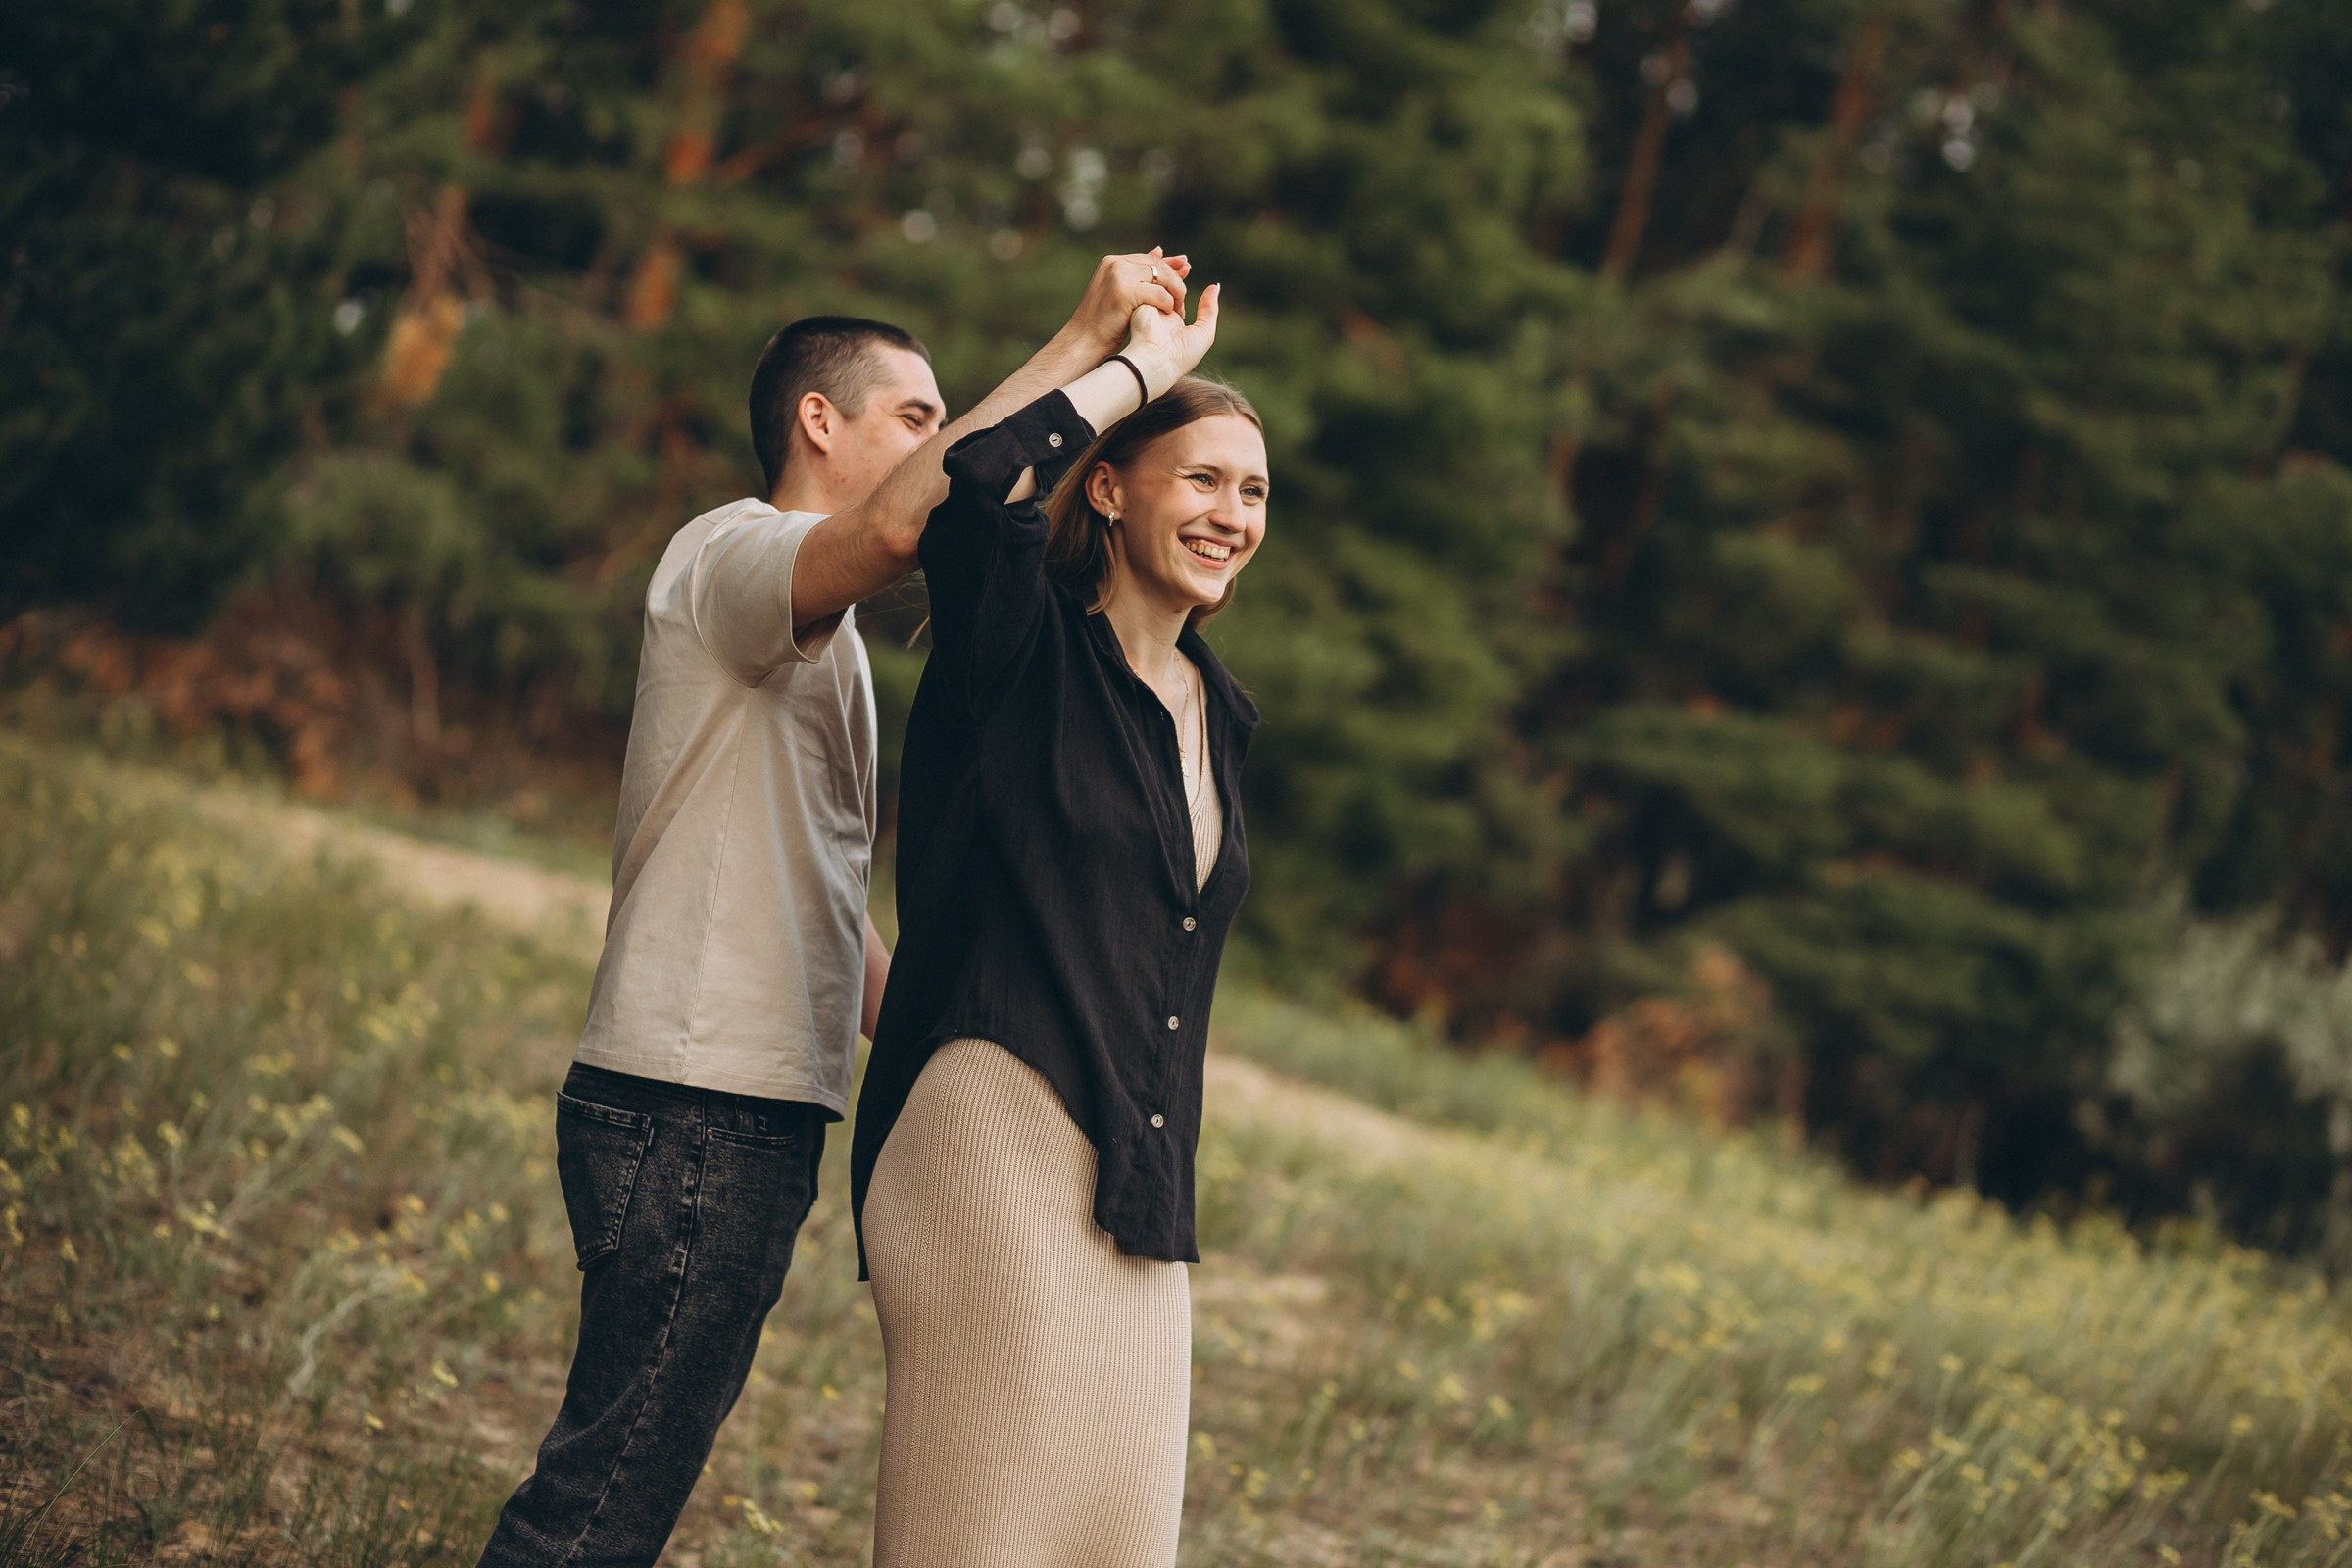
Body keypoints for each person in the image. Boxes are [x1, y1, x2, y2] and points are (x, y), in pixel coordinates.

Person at [472, 250, 1193, 1568]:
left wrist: (934, 1040)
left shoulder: (831, 643)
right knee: (603, 1500)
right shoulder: (735, 557)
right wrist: (1092, 351)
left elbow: (822, 893)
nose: (941, 440)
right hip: (694, 1104)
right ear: (820, 420)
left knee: (618, 1487)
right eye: (916, 417)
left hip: (742, 1114)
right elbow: (918, 521)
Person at [849, 279, 1266, 1567]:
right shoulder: (1019, 649)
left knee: (1118, 1543)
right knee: (972, 1540)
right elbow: (973, 488)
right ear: (1109, 488)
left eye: (1254, 494)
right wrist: (1127, 369)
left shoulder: (1219, 710)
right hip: (991, 1128)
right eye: (1201, 480)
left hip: (1139, 1184)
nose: (1232, 517)